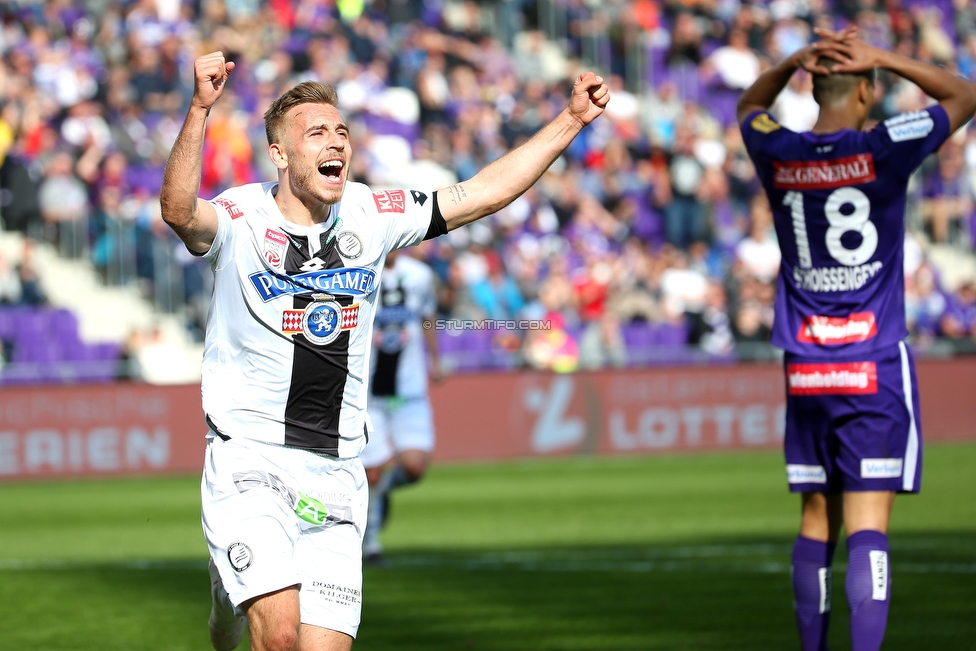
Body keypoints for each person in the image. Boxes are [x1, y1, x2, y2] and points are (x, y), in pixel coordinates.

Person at [159, 51, 609, 651]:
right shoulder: (242, 215)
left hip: (340, 468)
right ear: (281, 153)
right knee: (281, 638)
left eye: (341, 131)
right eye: (316, 132)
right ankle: (236, 588)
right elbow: (179, 210)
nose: (336, 141)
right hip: (252, 457)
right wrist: (199, 108)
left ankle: (225, 592)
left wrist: (571, 121)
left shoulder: (372, 213)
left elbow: (480, 194)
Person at [737, 26, 976, 651]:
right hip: (871, 362)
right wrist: (886, 55)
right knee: (870, 528)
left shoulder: (778, 149)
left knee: (817, 522)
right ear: (867, 90)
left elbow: (747, 108)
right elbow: (964, 94)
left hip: (806, 364)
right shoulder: (885, 147)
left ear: (813, 86)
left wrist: (794, 59)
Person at [360, 248, 441, 565]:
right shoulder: (359, 268)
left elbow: (428, 316)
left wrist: (436, 359)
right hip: (370, 392)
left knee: (414, 466)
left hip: (409, 388)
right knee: (373, 472)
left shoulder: (420, 274)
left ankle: (381, 496)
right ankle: (372, 544)